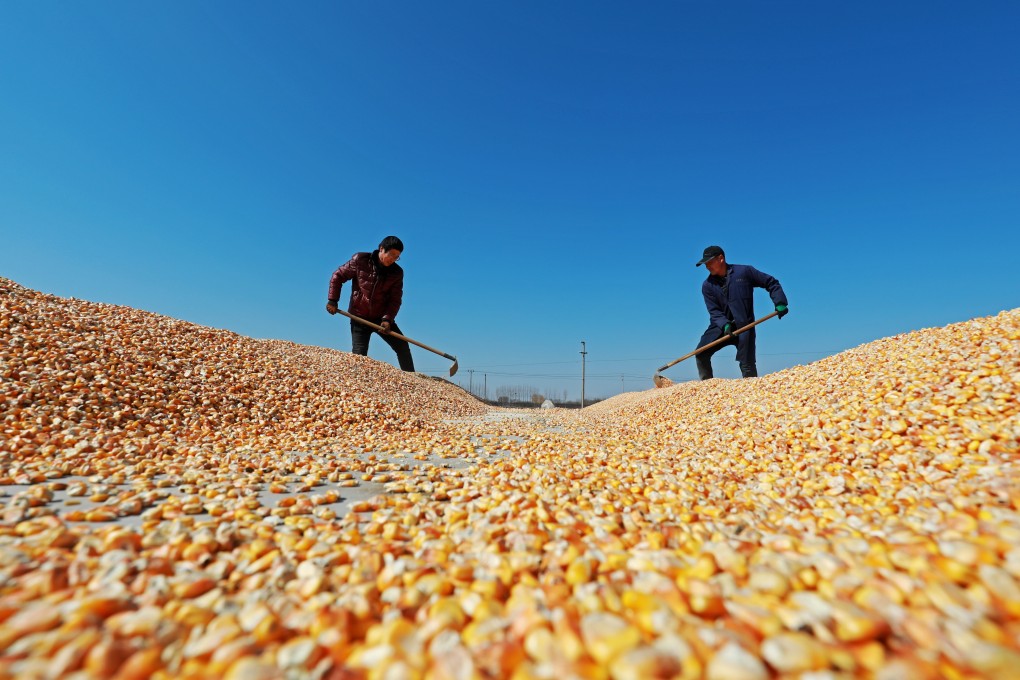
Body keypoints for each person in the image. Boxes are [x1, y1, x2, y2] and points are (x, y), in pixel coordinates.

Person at [693, 245, 788, 380]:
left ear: (721, 258)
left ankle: (751, 390)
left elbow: (771, 283)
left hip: (744, 325)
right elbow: (714, 311)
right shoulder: (707, 285)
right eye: (705, 264)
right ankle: (706, 387)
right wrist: (724, 324)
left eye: (709, 262)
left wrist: (780, 302)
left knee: (747, 363)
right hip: (720, 327)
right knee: (701, 353)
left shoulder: (744, 272)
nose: (707, 266)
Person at [326, 236, 415, 372]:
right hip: (359, 317)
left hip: (381, 319)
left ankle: (412, 380)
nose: (393, 259)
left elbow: (395, 300)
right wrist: (333, 300)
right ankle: (358, 381)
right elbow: (337, 276)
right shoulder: (360, 260)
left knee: (402, 346)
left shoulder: (397, 273)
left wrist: (387, 319)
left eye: (397, 257)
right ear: (381, 249)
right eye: (391, 255)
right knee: (360, 356)